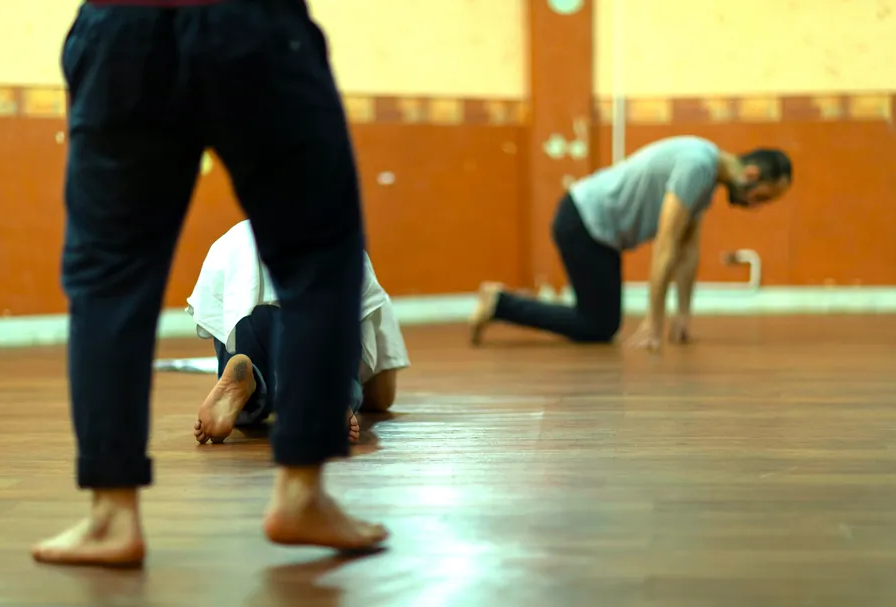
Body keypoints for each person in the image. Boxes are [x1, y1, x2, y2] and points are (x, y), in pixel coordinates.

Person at [32, 0, 388, 568]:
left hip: (121, 27)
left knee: (110, 279)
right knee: (318, 258)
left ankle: (110, 515)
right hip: (254, 25)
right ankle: (301, 493)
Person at [469, 136, 792, 352]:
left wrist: (682, 314)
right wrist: (654, 321)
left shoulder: (706, 173)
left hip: (598, 231)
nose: (755, 206)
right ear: (750, 175)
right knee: (598, 325)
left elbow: (687, 248)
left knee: (598, 321)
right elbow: (666, 244)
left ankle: (501, 303)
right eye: (760, 198)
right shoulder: (698, 165)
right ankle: (499, 303)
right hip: (583, 221)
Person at [187, 220, 410, 445]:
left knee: (250, 380)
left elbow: (213, 314)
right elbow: (382, 396)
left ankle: (249, 381)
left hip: (243, 280)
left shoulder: (232, 240)